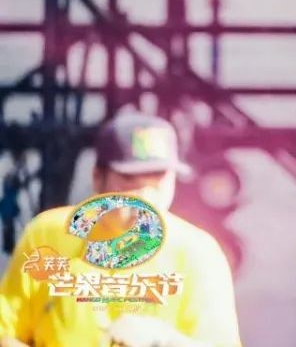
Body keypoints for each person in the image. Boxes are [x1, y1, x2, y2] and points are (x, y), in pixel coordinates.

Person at [0, 111, 243, 347]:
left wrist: (164, 341)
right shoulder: (48, 233)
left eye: (158, 178)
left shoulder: (197, 252)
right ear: (98, 178)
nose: (146, 195)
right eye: (130, 179)